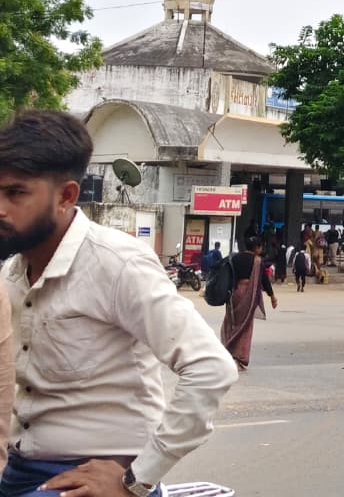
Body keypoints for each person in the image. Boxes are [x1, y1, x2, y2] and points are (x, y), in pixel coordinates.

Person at [0, 110, 237, 497]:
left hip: (94, 478)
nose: (1, 208)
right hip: (20, 470)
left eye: (16, 193)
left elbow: (211, 367)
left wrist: (136, 479)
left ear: (66, 196)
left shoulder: (117, 264)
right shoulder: (11, 272)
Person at [221, 235, 278, 371]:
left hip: (233, 294)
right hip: (248, 294)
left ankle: (227, 353)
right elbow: (264, 280)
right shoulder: (257, 261)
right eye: (260, 247)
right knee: (245, 326)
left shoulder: (234, 258)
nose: (261, 249)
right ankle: (238, 357)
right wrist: (272, 296)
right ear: (256, 248)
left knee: (232, 323)